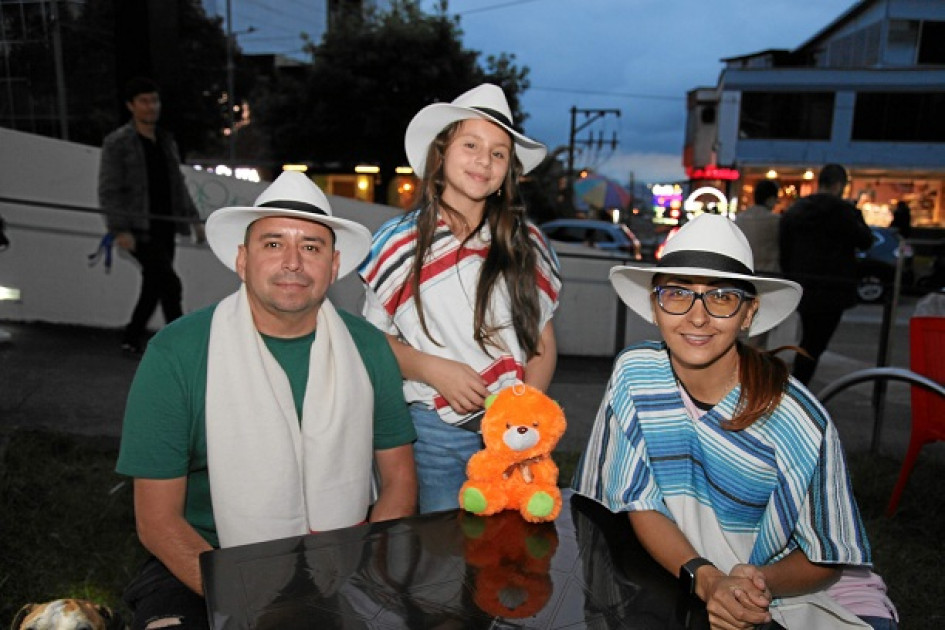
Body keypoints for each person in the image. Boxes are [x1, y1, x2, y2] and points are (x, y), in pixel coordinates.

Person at [115, 172, 418, 629]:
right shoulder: (177, 353)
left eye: (311, 247)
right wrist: (248, 600)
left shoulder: (368, 348)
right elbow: (158, 522)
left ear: (334, 265)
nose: (293, 262)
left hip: (345, 561)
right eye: (273, 244)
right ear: (243, 260)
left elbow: (399, 482)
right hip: (205, 558)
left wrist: (362, 575)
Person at [572, 214, 898, 630]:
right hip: (700, 580)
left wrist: (747, 586)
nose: (697, 317)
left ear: (748, 313)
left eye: (722, 297)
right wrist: (707, 579)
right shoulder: (636, 374)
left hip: (813, 597)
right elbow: (638, 500)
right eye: (678, 293)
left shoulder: (796, 418)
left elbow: (826, 557)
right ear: (655, 305)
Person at [359, 83, 562, 513]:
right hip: (435, 431)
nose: (483, 161)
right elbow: (373, 341)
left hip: (514, 434)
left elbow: (542, 342)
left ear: (508, 171)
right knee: (443, 543)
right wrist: (432, 369)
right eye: (471, 144)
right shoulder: (397, 244)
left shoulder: (528, 244)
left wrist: (523, 418)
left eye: (498, 153)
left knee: (509, 542)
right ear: (441, 153)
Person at [98, 77, 205, 354]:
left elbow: (177, 184)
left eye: (154, 100)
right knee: (170, 284)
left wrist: (194, 220)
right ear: (130, 106)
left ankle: (131, 337)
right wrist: (120, 229)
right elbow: (109, 190)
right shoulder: (118, 143)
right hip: (138, 229)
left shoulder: (166, 141)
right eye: (144, 101)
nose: (151, 107)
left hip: (165, 225)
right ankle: (179, 344)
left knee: (154, 284)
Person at [779, 163, 873, 385]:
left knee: (807, 340)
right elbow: (865, 240)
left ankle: (795, 387)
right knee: (815, 344)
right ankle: (797, 389)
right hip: (833, 287)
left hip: (804, 285)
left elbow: (785, 249)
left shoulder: (797, 210)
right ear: (839, 185)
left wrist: (791, 276)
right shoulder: (843, 212)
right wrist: (856, 214)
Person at [734, 179, 781, 275]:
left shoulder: (740, 218)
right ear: (771, 199)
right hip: (769, 274)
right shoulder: (776, 220)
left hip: (744, 272)